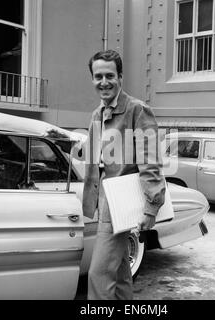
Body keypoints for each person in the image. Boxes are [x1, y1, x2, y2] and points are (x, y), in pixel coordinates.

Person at [82, 49, 166, 300]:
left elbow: (150, 162)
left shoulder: (138, 110)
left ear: (120, 77)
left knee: (98, 275)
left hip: (122, 205)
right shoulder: (97, 114)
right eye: (98, 76)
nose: (103, 82)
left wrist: (152, 207)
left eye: (109, 75)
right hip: (104, 203)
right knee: (119, 274)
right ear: (92, 79)